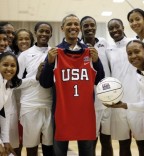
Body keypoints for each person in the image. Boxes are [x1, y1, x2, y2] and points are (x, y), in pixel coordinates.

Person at [39, 14, 104, 156]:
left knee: (87, 152)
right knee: (59, 152)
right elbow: (45, 83)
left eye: (76, 24)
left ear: (79, 29)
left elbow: (99, 80)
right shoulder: (55, 52)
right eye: (69, 24)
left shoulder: (89, 50)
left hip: (85, 112)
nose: (73, 27)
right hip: (62, 112)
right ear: (62, 28)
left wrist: (97, 61)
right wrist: (49, 63)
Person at [105, 18, 144, 156]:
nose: (114, 30)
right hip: (118, 103)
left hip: (136, 101)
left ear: (122, 27)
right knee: (123, 145)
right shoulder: (109, 50)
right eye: (111, 29)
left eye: (117, 27)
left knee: (142, 144)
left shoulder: (134, 44)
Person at [17, 22, 53, 156]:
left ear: (51, 34)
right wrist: (35, 77)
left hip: (49, 105)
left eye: (47, 31)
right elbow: (15, 83)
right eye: (41, 31)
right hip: (30, 106)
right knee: (31, 148)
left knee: (49, 148)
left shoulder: (54, 52)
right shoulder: (25, 55)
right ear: (35, 33)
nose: (44, 34)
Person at [80, 16, 113, 156]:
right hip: (88, 101)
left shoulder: (104, 43)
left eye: (92, 25)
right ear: (81, 28)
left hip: (107, 99)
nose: (89, 28)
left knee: (107, 141)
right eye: (85, 26)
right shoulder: (77, 46)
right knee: (90, 142)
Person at [11, 28, 34, 156]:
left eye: (27, 39)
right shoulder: (12, 59)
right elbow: (13, 83)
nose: (24, 41)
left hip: (31, 105)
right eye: (20, 39)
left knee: (32, 145)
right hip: (16, 105)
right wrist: (34, 80)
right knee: (16, 145)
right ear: (16, 41)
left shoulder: (36, 56)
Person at [0, 52, 22, 156]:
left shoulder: (8, 85)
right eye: (5, 65)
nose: (9, 68)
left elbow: (4, 115)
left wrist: (5, 141)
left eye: (13, 66)